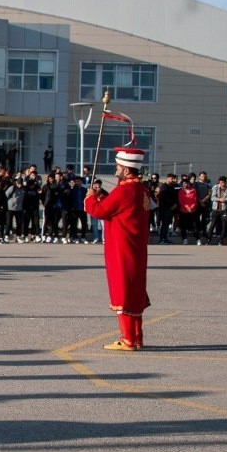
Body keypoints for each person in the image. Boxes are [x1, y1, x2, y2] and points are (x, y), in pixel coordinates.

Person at [85, 139, 154, 351]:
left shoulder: (125, 190)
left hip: (122, 247)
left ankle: (128, 339)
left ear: (125, 169)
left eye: (117, 167)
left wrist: (90, 199)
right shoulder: (141, 189)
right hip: (135, 247)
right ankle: (135, 337)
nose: (116, 170)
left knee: (123, 291)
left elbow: (99, 211)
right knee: (134, 291)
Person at [177, 179, 200, 244]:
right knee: (183, 226)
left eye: (186, 183)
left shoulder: (193, 191)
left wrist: (191, 207)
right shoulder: (180, 192)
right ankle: (184, 239)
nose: (185, 185)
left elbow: (195, 200)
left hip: (192, 211)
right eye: (184, 183)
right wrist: (187, 207)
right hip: (183, 211)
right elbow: (181, 201)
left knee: (195, 225)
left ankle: (198, 239)